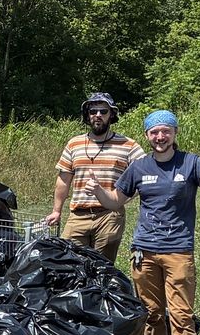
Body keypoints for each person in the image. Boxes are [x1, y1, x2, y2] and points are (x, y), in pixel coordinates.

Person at [84, 110, 200, 335]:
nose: (160, 137)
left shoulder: (191, 163)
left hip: (178, 250)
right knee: (150, 314)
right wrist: (99, 191)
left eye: (165, 131)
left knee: (181, 316)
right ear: (148, 136)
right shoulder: (138, 167)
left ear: (174, 133)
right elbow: (115, 202)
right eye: (154, 132)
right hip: (144, 251)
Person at [41, 93, 143, 264]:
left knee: (101, 266)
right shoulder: (74, 143)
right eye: (93, 111)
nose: (98, 115)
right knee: (69, 263)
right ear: (87, 115)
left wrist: (120, 200)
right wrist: (57, 211)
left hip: (109, 216)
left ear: (112, 114)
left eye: (103, 111)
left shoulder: (128, 145)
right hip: (78, 215)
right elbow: (63, 179)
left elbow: (143, 176)